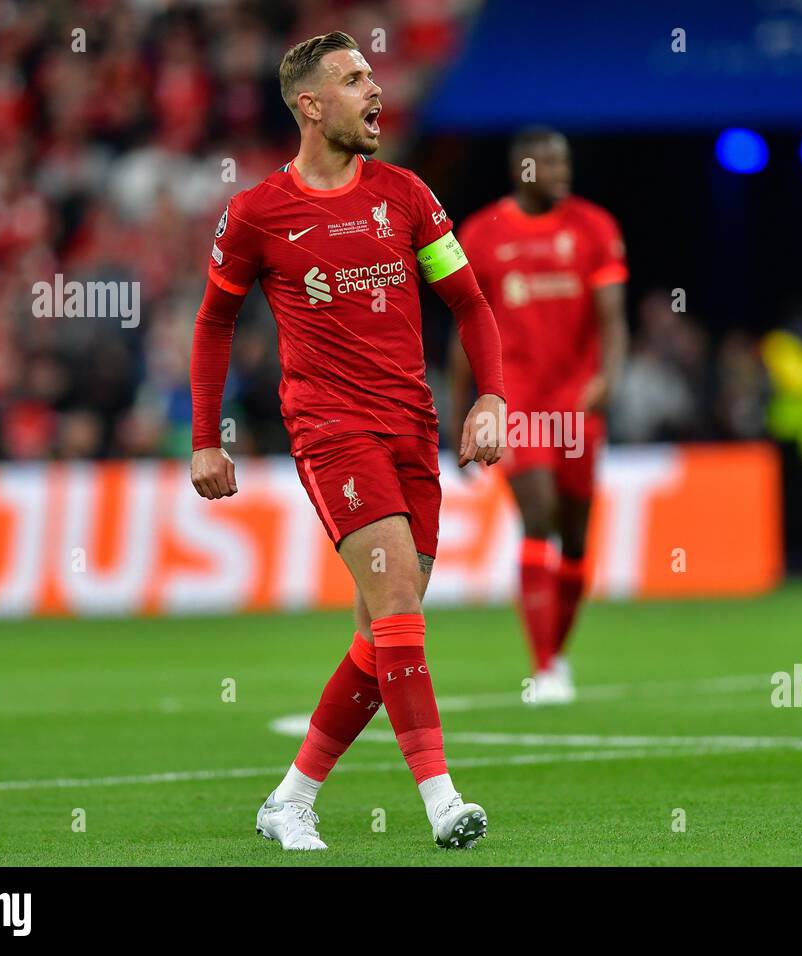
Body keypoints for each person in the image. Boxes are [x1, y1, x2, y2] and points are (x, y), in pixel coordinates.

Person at [189, 32, 505, 851]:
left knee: (379, 636)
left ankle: (290, 799)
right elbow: (214, 321)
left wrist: (492, 398)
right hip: (332, 433)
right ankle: (442, 802)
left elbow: (470, 303)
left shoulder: (406, 195)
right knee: (398, 601)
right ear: (309, 104)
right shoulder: (257, 213)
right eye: (354, 78)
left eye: (372, 75)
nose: (375, 90)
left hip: (413, 429)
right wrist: (205, 438)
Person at [450, 128, 627, 704]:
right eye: (549, 162)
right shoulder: (480, 234)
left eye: (565, 161)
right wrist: (462, 415)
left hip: (575, 402)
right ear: (521, 168)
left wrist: (609, 375)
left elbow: (612, 319)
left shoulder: (594, 227)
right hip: (515, 400)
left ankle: (558, 656)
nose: (561, 170)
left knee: (575, 538)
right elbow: (465, 332)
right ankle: (544, 666)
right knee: (538, 515)